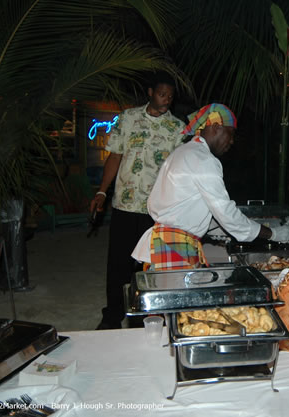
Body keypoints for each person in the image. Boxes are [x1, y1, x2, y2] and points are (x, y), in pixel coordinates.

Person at [132, 103, 289, 270]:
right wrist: (274, 234)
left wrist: (221, 231)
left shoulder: (184, 152)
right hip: (175, 247)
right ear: (216, 127)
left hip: (166, 242)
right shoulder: (204, 159)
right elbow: (227, 214)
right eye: (230, 134)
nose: (231, 142)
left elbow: (186, 207)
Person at [92, 73, 186, 330]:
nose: (166, 99)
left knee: (146, 267)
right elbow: (115, 156)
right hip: (124, 203)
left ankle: (141, 316)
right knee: (118, 264)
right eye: (161, 94)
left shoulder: (177, 129)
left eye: (169, 96)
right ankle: (112, 315)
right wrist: (102, 191)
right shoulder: (128, 118)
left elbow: (178, 170)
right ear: (150, 92)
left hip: (155, 210)